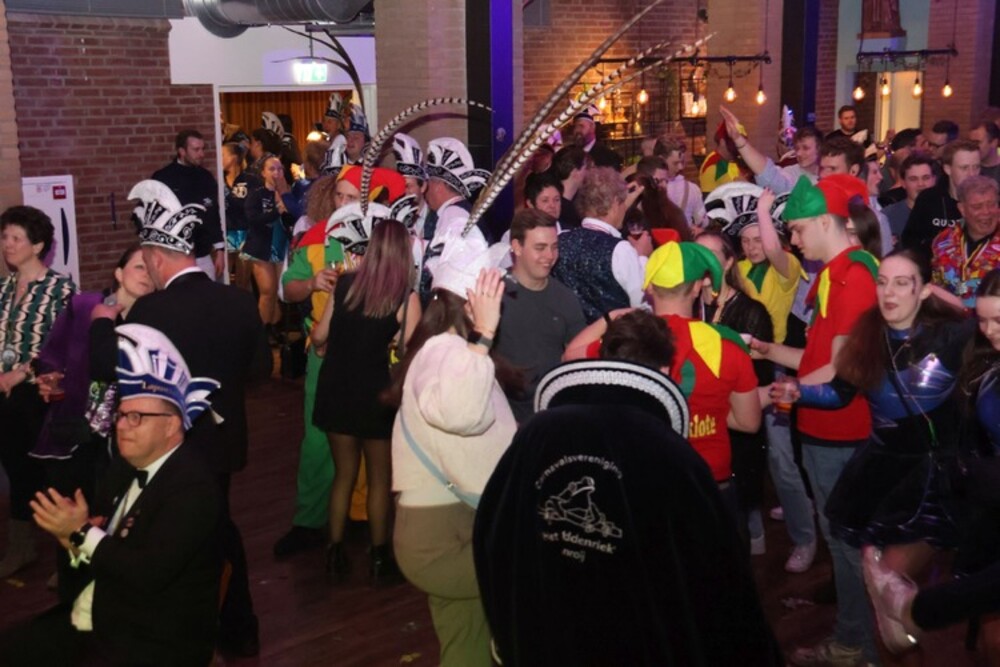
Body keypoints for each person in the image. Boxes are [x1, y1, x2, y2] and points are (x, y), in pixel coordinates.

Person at [474, 314, 783, 667]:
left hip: (545, 631)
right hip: (628, 639)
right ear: (665, 371)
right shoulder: (672, 454)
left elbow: (493, 528)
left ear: (603, 355)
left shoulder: (536, 433)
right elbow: (715, 577)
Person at [89, 180, 271, 657]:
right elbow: (259, 370)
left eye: (146, 259)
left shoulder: (150, 310)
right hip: (223, 443)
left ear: (155, 256)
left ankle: (195, 629)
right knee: (219, 528)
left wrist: (102, 321)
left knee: (177, 538)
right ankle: (240, 629)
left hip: (171, 449)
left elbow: (105, 365)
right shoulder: (238, 300)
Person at [0, 324, 223, 666]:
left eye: (136, 417)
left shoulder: (193, 487)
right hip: (97, 612)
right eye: (121, 415)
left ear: (171, 425)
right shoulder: (123, 466)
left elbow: (147, 574)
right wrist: (72, 542)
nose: (121, 425)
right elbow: (101, 549)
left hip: (151, 640)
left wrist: (81, 533)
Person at [793, 251, 971, 654]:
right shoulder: (867, 336)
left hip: (936, 476)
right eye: (883, 282)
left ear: (923, 290)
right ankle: (886, 640)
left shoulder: (951, 336)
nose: (889, 292)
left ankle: (901, 634)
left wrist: (953, 301)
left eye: (902, 283)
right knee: (885, 594)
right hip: (883, 471)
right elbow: (839, 393)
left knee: (892, 578)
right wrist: (797, 391)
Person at [750, 174, 880, 665]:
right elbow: (817, 358)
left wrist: (779, 392)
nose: (794, 240)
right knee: (840, 541)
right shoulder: (835, 274)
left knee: (846, 545)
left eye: (799, 229)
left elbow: (840, 370)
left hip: (840, 431)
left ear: (826, 221)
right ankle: (854, 637)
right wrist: (769, 350)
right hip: (825, 428)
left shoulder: (854, 277)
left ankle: (855, 646)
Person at [388, 237, 516, 667]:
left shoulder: (450, 351)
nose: (501, 307)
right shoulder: (444, 351)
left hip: (450, 527)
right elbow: (462, 414)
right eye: (493, 298)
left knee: (465, 643)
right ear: (469, 304)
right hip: (442, 537)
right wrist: (485, 334)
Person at [862, 269, 1000, 659]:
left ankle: (913, 612)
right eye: (983, 320)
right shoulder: (985, 361)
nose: (989, 331)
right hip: (986, 506)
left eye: (998, 320)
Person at [272, 165, 404, 560]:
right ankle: (310, 522)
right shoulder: (315, 238)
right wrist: (311, 283)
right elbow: (286, 291)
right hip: (326, 356)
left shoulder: (386, 240)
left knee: (371, 450)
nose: (345, 204)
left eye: (354, 197)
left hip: (376, 359)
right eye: (340, 195)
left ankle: (361, 517)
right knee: (318, 444)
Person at [31, 244, 153, 597]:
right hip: (75, 426)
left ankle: (100, 582)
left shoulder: (153, 320)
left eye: (151, 268)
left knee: (111, 511)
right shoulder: (86, 305)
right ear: (119, 272)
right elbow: (52, 352)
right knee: (71, 504)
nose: (146, 274)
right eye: (138, 267)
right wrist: (49, 376)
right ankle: (70, 579)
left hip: (123, 436)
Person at [312, 213, 421, 583]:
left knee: (343, 475)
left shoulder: (345, 284)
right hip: (376, 393)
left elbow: (319, 337)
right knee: (379, 479)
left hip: (336, 389)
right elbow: (411, 351)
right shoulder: (404, 297)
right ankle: (379, 558)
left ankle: (334, 553)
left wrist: (325, 344)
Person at [720, 187, 818, 573]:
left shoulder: (787, 265)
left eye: (758, 238)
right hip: (737, 368)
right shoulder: (739, 271)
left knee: (780, 458)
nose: (752, 246)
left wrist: (763, 212)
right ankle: (754, 530)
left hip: (773, 367)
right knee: (743, 453)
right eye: (745, 241)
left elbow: (776, 252)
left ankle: (805, 537)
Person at [0, 206, 75, 579]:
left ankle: (71, 555)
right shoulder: (2, 289)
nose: (7, 244)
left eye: (16, 238)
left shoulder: (60, 289)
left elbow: (62, 345)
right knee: (17, 470)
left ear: (38, 245)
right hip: (5, 397)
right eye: (4, 237)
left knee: (55, 476)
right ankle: (21, 547)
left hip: (41, 394)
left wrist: (21, 373)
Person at [494, 208, 586, 422]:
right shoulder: (494, 295)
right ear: (517, 247)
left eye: (554, 247)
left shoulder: (565, 298)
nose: (550, 256)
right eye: (540, 248)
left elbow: (577, 359)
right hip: (502, 417)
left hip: (552, 415)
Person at [550, 167, 646, 322]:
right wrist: (642, 258)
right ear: (615, 203)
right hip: (615, 335)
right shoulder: (620, 250)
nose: (625, 208)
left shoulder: (560, 240)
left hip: (571, 336)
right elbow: (641, 306)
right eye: (622, 202)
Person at [151, 129, 224, 280]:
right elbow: (151, 218)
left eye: (203, 149)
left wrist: (220, 250)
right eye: (196, 150)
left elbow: (213, 215)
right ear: (182, 151)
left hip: (202, 254)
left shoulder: (206, 177)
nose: (201, 154)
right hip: (174, 256)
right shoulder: (163, 178)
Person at [902, 139, 981, 255]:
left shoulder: (991, 201)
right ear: (947, 169)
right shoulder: (928, 199)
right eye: (964, 168)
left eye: (976, 167)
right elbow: (910, 242)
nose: (972, 174)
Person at [930, 175, 1000, 307]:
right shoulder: (943, 241)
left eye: (991, 204)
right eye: (977, 207)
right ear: (962, 209)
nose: (986, 212)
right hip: (950, 316)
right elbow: (937, 287)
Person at [244, 154, 293, 334]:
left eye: (279, 169)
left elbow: (294, 221)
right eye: (272, 169)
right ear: (263, 173)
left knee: (279, 291)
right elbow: (253, 219)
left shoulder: (289, 194)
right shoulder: (256, 194)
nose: (276, 173)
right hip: (261, 247)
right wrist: (276, 211)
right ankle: (261, 334)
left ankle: (274, 328)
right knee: (267, 290)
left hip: (281, 246)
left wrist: (286, 207)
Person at [222, 141, 259, 291]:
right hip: (225, 233)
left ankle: (244, 302)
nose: (219, 159)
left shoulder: (249, 180)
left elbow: (253, 206)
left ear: (234, 158)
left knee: (243, 280)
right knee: (222, 277)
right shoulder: (218, 180)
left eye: (223, 155)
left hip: (245, 233)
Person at [882, 153, 937, 246]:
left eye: (926, 178)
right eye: (913, 179)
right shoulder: (886, 217)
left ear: (934, 180)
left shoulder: (946, 213)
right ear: (903, 183)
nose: (920, 184)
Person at [656, 136, 708, 226]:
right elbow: (703, 222)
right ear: (660, 160)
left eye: (682, 162)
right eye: (675, 163)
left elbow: (702, 221)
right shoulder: (693, 189)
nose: (680, 167)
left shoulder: (692, 189)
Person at [570, 104, 623, 170]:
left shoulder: (608, 157)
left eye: (581, 126)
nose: (577, 130)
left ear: (592, 127)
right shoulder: (568, 155)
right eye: (575, 127)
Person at [552, 144, 590, 229]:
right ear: (575, 172)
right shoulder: (562, 210)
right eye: (586, 168)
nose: (588, 172)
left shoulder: (571, 204)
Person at [971, 120, 1000, 186]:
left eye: (978, 142)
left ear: (994, 143)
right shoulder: (969, 169)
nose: (973, 146)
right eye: (971, 142)